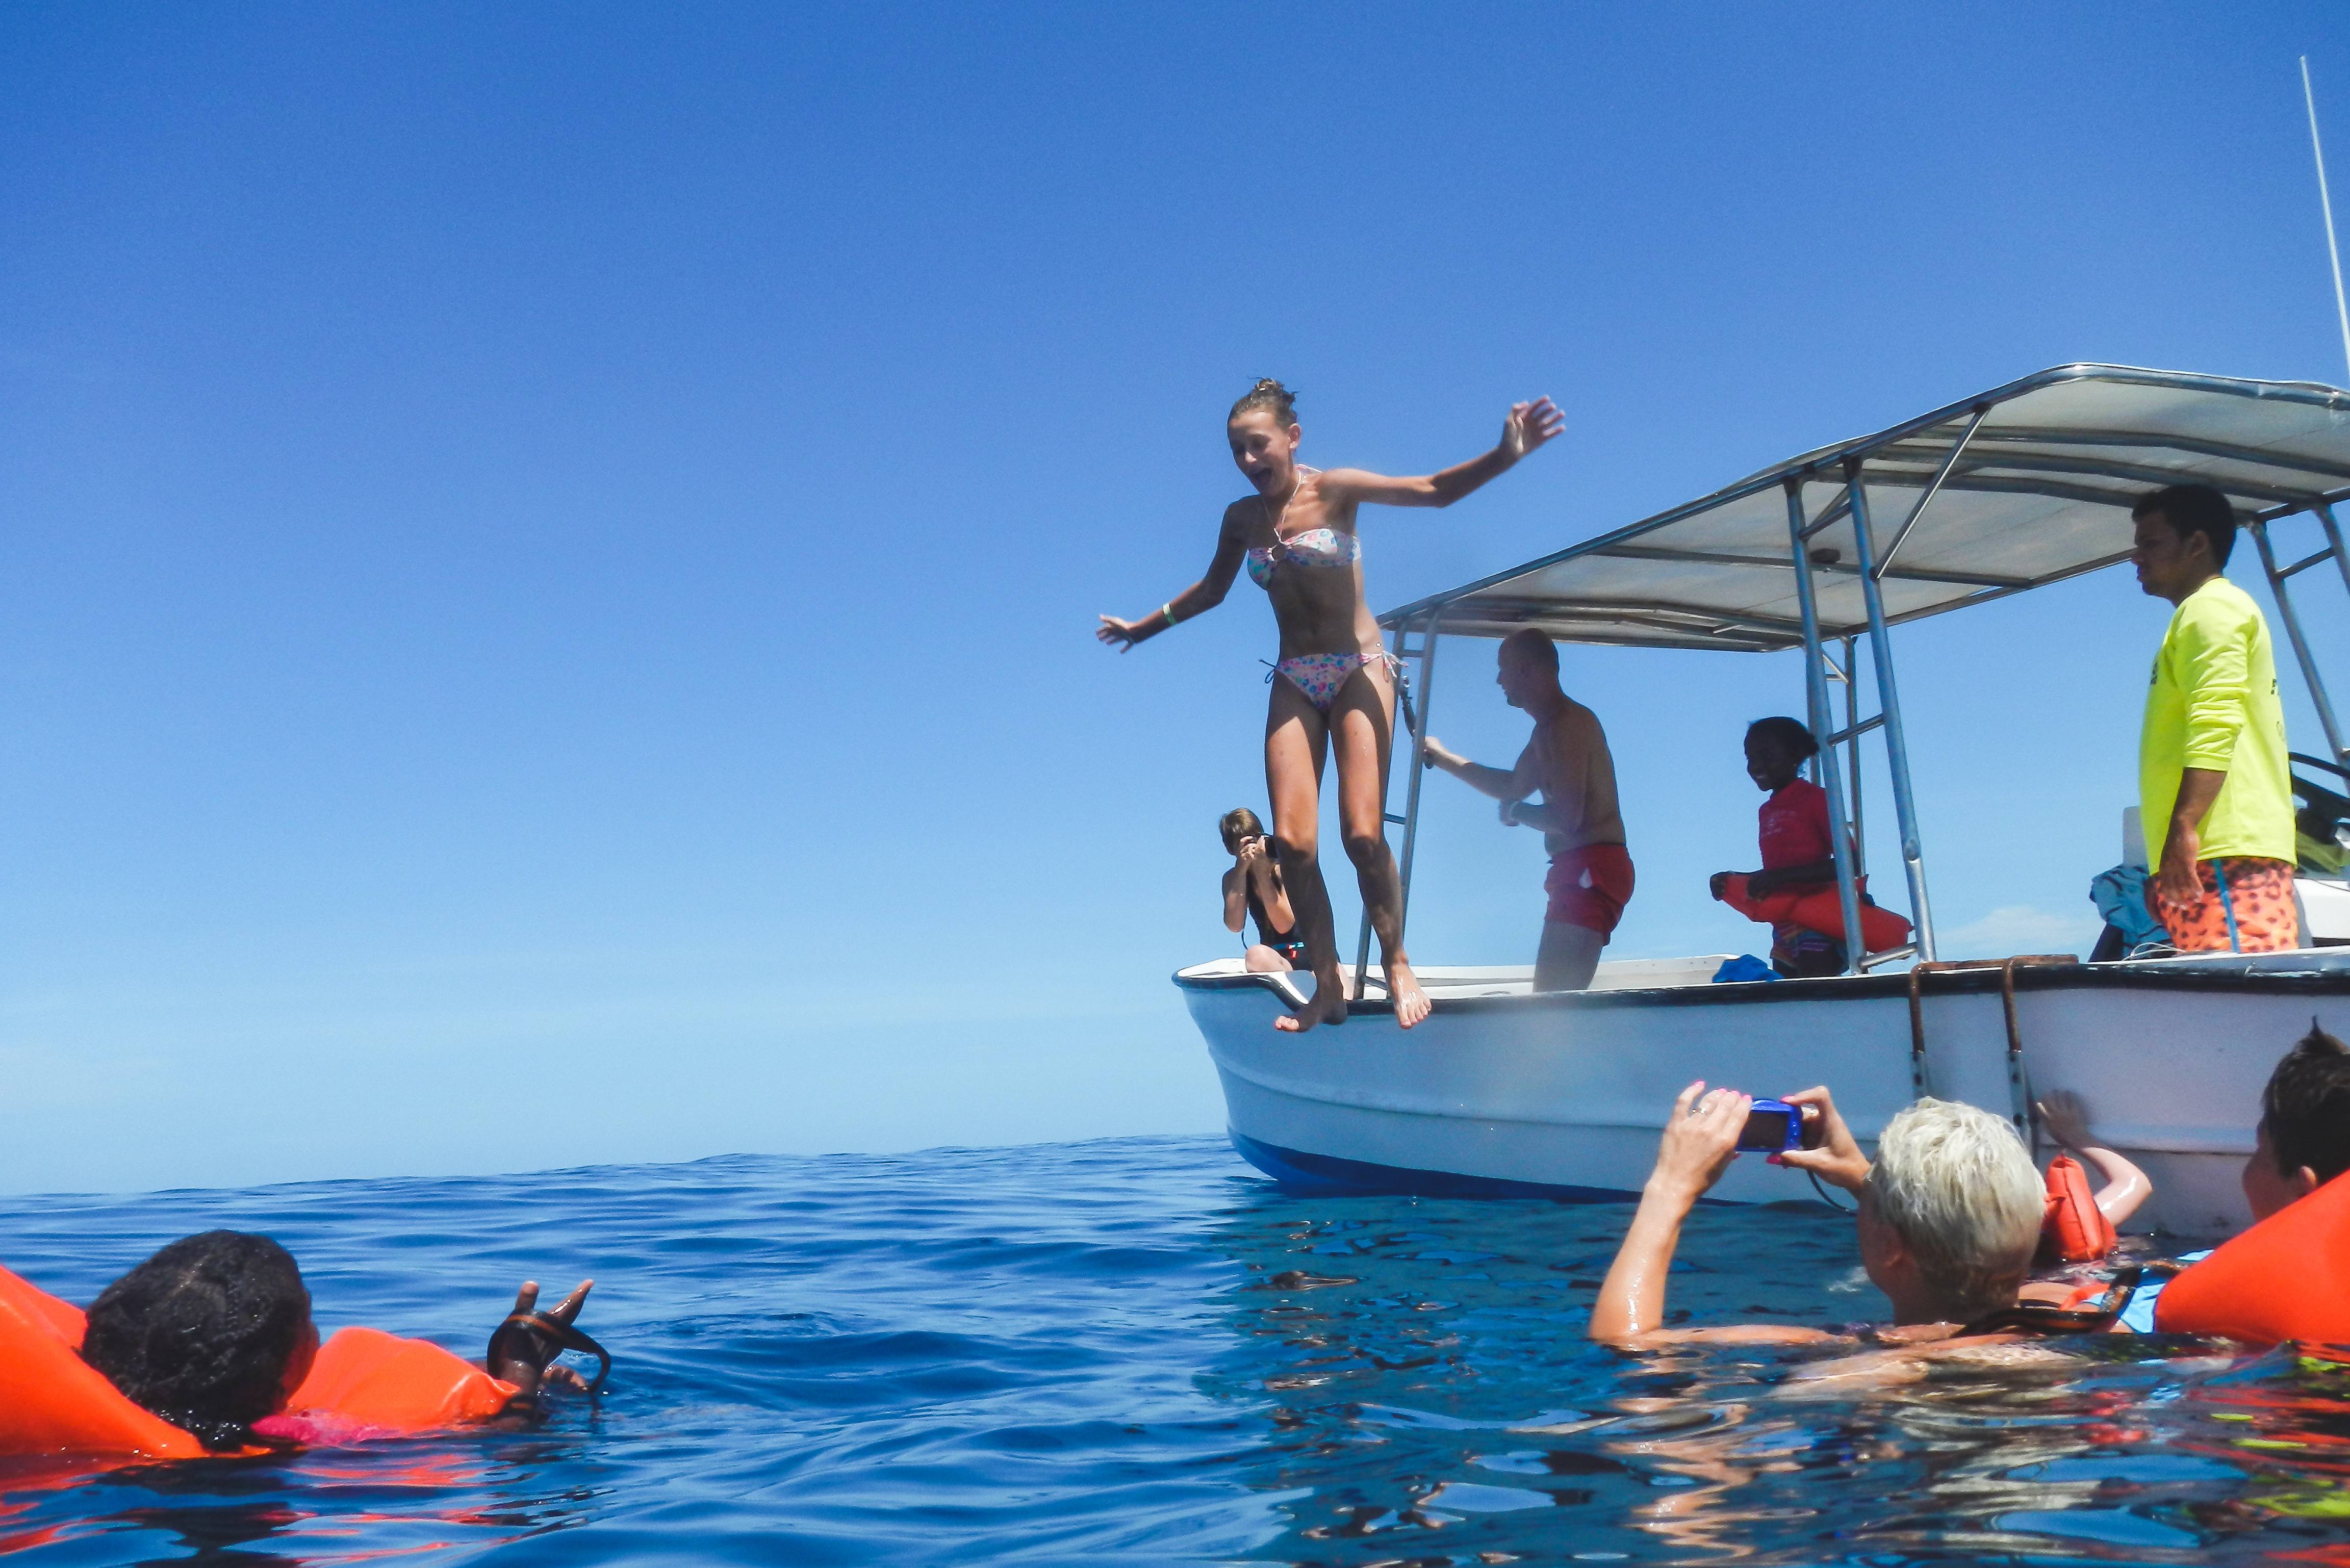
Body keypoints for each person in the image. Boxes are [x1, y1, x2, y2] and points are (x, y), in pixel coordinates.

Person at [1099, 379, 1565, 1031]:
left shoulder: (1336, 490)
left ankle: (1397, 961)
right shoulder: (1242, 519)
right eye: (1236, 451)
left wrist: (1505, 454)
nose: (1248, 460)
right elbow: (1211, 591)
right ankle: (1327, 984)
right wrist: (1142, 629)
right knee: (1292, 844)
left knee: (1363, 836)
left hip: (1357, 669)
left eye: (1258, 445)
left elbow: (1432, 490)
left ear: (1292, 438)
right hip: (1295, 674)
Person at [1588, 1085, 2046, 1350]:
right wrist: (1865, 1181)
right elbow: (1961, 1237)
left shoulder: (1858, 1362)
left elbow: (1624, 1342)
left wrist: (1670, 1188)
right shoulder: (2063, 1310)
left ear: (1890, 1247)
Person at [72, 1230, 596, 1451]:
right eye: (308, 1317)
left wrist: (479, 1373)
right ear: (285, 1359)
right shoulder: (293, 1440)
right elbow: (504, 1452)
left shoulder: (119, 1413)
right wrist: (520, 1375)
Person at [2131, 483, 2298, 953]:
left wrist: (2184, 829)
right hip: (2217, 856)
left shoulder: (2211, 610)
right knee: (2227, 992)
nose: (2136, 557)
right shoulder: (2202, 614)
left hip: (2225, 853)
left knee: (2243, 992)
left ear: (2197, 544)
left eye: (2151, 543)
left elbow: (2216, 721)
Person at [1420, 629, 1630, 991]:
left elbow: (1566, 820)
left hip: (1591, 868)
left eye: (1503, 668)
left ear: (1526, 670)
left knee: (1555, 1004)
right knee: (1552, 1001)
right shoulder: (1547, 731)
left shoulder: (1568, 725)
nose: (1499, 680)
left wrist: (1517, 811)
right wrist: (1442, 757)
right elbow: (1512, 786)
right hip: (1581, 869)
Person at [1709, 716, 1844, 977]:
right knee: (1789, 995)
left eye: (1768, 756)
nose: (1756, 766)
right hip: (1783, 925)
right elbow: (1777, 872)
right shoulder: (1767, 810)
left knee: (1818, 993)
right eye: (1750, 758)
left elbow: (1849, 864)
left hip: (1817, 921)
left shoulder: (1816, 799)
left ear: (1795, 755)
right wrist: (1733, 881)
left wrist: (1777, 878)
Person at [1219, 806, 1305, 972]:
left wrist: (1263, 873)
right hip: (1274, 958)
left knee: (1257, 955)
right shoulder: (1233, 878)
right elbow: (1235, 925)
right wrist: (1241, 870)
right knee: (1256, 956)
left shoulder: (1283, 870)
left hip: (1307, 953)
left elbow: (1284, 924)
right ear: (1231, 849)